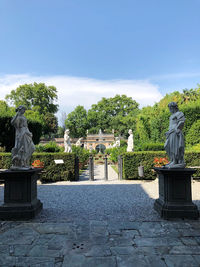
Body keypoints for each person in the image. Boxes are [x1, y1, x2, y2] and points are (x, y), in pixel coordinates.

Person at [164, 102, 185, 168]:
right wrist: (168, 132)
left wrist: (177, 128)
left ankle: (175, 161)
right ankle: (172, 159)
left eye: (170, 108)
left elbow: (182, 121)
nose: (170, 109)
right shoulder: (171, 116)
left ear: (174, 107)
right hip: (170, 132)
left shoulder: (179, 113)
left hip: (175, 132)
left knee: (174, 147)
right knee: (167, 146)